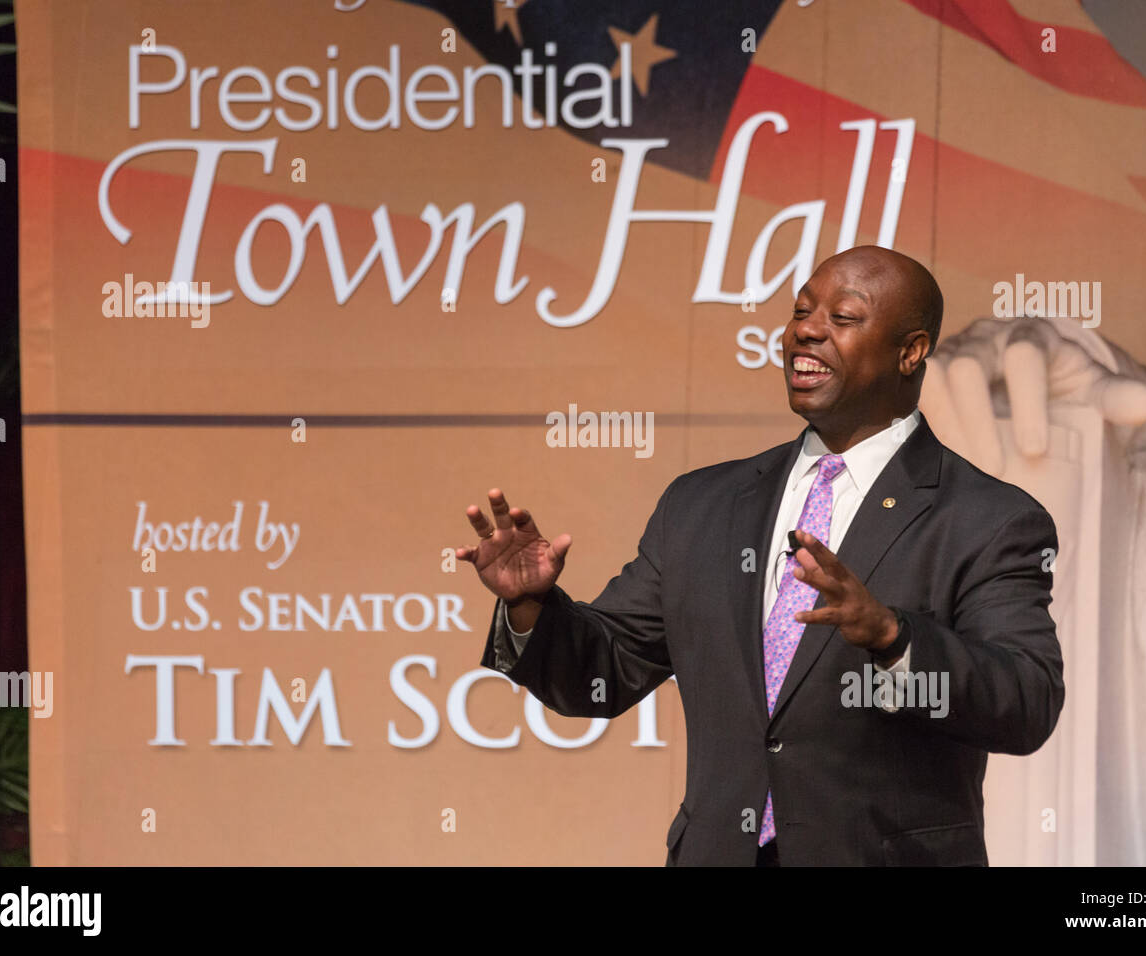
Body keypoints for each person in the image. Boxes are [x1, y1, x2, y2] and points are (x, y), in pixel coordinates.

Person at [455, 245, 1064, 866]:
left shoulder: (988, 519)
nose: (807, 328)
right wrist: (532, 607)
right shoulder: (702, 505)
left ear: (910, 352)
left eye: (844, 319)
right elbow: (604, 673)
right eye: (802, 311)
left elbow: (1026, 701)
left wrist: (893, 638)